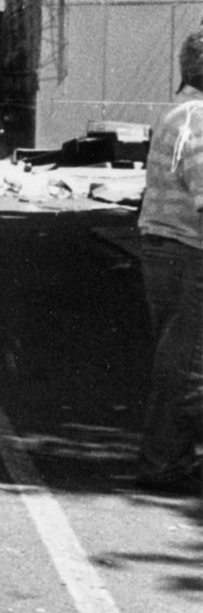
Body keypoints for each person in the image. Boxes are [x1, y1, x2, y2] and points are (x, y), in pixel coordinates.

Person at [135, 27, 203, 491]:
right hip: (189, 250)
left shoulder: (178, 113)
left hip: (163, 245)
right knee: (190, 361)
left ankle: (170, 455)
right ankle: (165, 462)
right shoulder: (200, 118)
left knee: (175, 354)